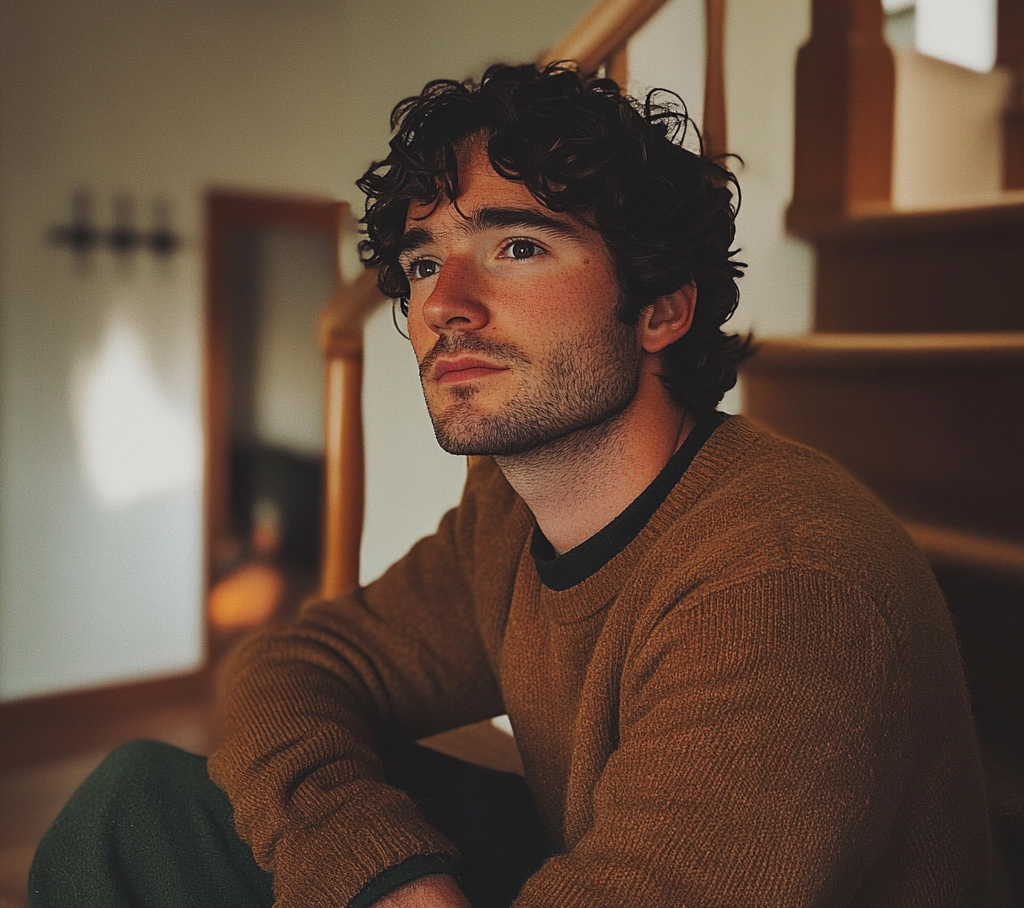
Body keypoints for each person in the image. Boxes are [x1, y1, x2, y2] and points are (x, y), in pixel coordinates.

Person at [30, 63, 1004, 907]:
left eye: (517, 246)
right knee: (137, 806)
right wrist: (378, 872)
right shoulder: (507, 510)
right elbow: (293, 665)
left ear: (661, 307)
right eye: (421, 262)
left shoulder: (783, 582)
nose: (442, 305)